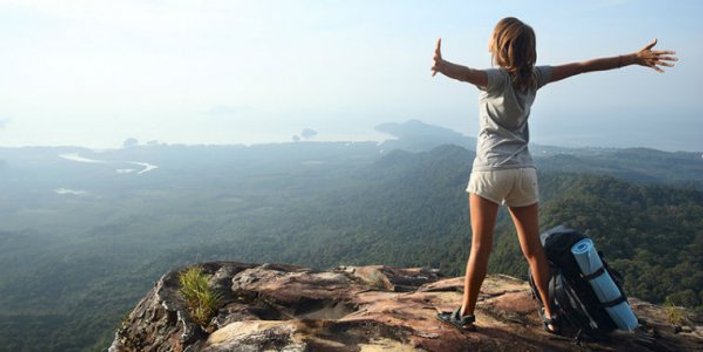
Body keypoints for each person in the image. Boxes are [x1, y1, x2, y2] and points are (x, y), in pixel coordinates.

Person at [431, 17, 677, 333]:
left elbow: (465, 74)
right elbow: (583, 65)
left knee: (481, 246)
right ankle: (550, 314)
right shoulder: (535, 78)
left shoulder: (494, 78)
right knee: (534, 249)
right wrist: (632, 58)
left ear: (500, 47)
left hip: (490, 169)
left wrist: (443, 64)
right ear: (529, 50)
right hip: (523, 171)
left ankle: (465, 313)